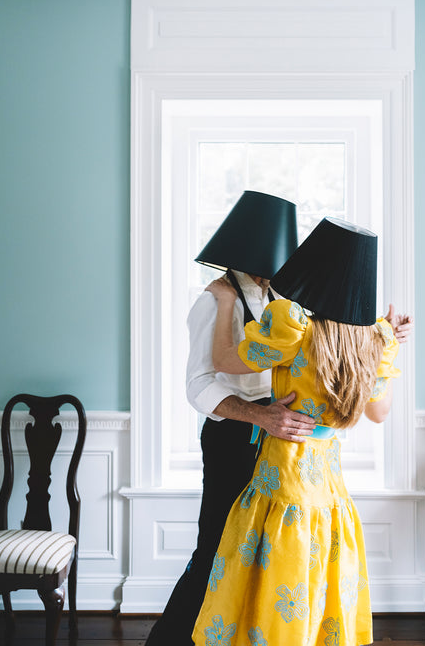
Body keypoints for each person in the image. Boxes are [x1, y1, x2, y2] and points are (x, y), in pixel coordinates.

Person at [192, 217, 406, 646]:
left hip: (284, 470)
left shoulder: (294, 327)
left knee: (275, 574)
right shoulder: (371, 341)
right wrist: (384, 342)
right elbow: (380, 413)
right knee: (316, 574)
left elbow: (223, 360)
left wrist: (226, 303)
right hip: (328, 480)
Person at [145, 190, 313, 646]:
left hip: (277, 438)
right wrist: (259, 418)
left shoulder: (281, 297)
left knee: (259, 551)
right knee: (215, 551)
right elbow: (199, 385)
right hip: (231, 441)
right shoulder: (216, 301)